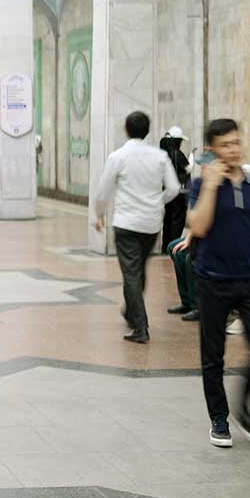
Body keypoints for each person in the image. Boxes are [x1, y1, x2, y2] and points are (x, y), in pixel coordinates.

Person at [183, 118, 250, 450]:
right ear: (212, 149)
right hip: (212, 280)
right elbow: (198, 227)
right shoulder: (201, 184)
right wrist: (211, 186)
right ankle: (219, 418)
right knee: (213, 356)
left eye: (236, 142)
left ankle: (244, 407)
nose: (233, 150)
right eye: (225, 145)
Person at [93, 111, 181, 343]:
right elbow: (173, 188)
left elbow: (103, 191)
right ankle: (131, 311)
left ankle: (140, 326)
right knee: (138, 270)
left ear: (126, 129)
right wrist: (157, 201)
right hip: (151, 225)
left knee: (131, 274)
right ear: (148, 130)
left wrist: (99, 215)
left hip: (126, 224)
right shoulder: (160, 157)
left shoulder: (118, 156)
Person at [161, 126, 194, 316]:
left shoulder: (164, 152)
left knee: (169, 219)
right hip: (179, 192)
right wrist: (192, 160)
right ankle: (191, 302)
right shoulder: (177, 154)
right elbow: (188, 169)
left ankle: (167, 243)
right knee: (177, 219)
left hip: (167, 192)